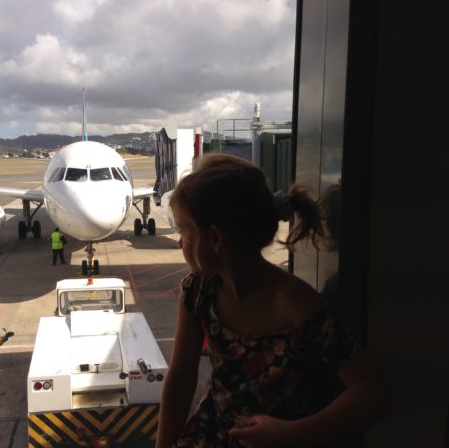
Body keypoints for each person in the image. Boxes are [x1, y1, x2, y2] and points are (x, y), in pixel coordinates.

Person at [156, 154, 390, 448]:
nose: (180, 243)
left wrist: (294, 433)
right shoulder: (198, 291)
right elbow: (181, 379)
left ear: (215, 238)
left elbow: (373, 394)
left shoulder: (295, 304)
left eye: (184, 231)